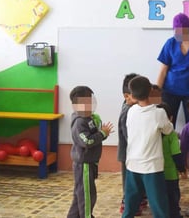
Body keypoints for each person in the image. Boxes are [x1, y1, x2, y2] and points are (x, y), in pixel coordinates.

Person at [123, 75, 173, 218]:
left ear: (132, 95)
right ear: (151, 90)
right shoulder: (159, 113)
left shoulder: (130, 111)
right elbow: (168, 130)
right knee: (158, 205)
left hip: (132, 164)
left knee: (130, 204)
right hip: (152, 167)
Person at [67, 86, 114, 218]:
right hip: (84, 165)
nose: (89, 106)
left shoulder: (89, 119)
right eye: (85, 103)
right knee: (87, 196)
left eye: (90, 102)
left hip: (90, 163)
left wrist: (100, 129)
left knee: (79, 195)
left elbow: (95, 132)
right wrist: (102, 134)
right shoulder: (79, 122)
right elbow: (86, 141)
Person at [117, 73, 147, 215]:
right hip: (128, 154)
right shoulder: (127, 112)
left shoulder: (133, 108)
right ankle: (127, 204)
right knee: (129, 182)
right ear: (126, 96)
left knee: (137, 180)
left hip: (135, 153)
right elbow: (129, 136)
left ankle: (139, 200)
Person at [157, 102, 186, 218]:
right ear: (171, 118)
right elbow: (176, 153)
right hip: (171, 174)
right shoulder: (172, 135)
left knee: (159, 196)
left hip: (156, 172)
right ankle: (174, 214)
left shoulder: (154, 133)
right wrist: (182, 168)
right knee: (173, 196)